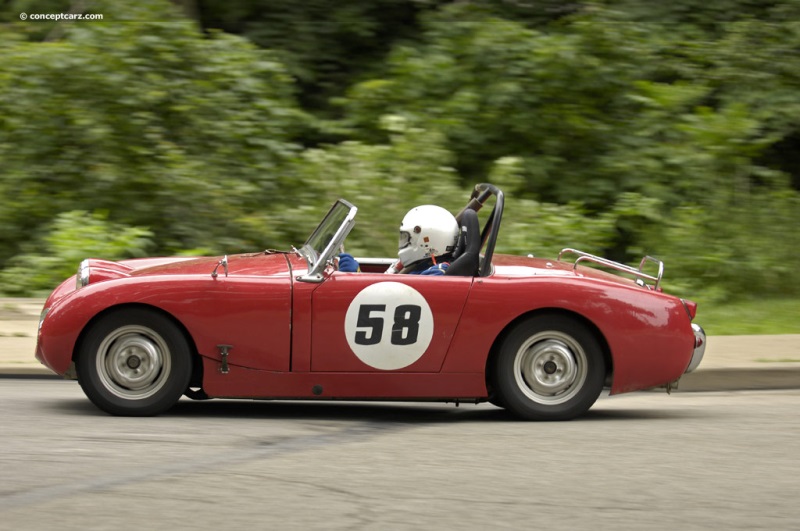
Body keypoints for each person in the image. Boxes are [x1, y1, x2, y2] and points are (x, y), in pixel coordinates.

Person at [338, 205, 459, 276]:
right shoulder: (421, 266)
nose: (403, 243)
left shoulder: (437, 273)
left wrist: (357, 276)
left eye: (407, 238)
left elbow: (393, 298)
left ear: (427, 242)